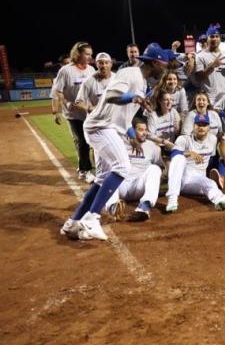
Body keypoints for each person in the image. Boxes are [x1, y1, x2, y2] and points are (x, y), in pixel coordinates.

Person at [60, 44, 173, 240]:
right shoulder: (132, 74)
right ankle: (92, 218)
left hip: (107, 128)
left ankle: (72, 223)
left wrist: (131, 135)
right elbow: (112, 96)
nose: (167, 67)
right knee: (122, 166)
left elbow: (124, 117)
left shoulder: (142, 81)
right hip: (100, 127)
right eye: (165, 62)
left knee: (101, 180)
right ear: (155, 62)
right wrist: (133, 97)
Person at [165, 113, 225, 212]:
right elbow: (173, 154)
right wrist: (188, 153)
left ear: (209, 127)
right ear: (193, 126)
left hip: (196, 180)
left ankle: (222, 199)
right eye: (198, 125)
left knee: (210, 183)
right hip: (181, 178)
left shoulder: (213, 139)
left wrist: (217, 175)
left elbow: (212, 159)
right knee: (179, 158)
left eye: (204, 125)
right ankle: (172, 200)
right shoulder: (184, 139)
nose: (201, 127)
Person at [104, 116, 164, 221]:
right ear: (132, 131)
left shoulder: (152, 147)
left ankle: (144, 207)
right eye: (140, 130)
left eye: (145, 130)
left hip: (139, 186)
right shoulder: (121, 144)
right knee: (108, 172)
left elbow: (160, 167)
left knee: (155, 169)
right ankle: (114, 208)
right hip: (121, 186)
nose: (144, 133)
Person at [52, 41, 96, 182]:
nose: (90, 57)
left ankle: (85, 167)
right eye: (87, 54)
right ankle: (85, 171)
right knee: (83, 142)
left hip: (88, 113)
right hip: (73, 114)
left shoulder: (91, 70)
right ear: (78, 54)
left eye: (91, 54)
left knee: (92, 142)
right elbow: (57, 91)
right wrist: (65, 103)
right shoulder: (65, 71)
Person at [195, 26, 225, 105]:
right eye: (212, 36)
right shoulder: (200, 56)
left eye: (217, 36)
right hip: (209, 96)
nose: (215, 39)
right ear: (207, 39)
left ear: (220, 38)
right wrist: (212, 66)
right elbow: (198, 78)